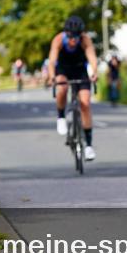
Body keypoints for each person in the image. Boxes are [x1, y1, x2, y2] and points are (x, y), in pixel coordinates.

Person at [47, 15, 99, 161]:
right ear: (66, 34)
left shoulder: (85, 40)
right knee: (62, 88)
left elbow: (92, 58)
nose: (73, 40)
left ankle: (88, 146)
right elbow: (52, 61)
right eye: (71, 36)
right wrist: (52, 76)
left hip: (79, 70)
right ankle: (61, 116)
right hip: (63, 69)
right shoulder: (58, 40)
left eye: (76, 37)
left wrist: (94, 73)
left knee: (85, 103)